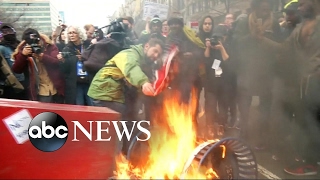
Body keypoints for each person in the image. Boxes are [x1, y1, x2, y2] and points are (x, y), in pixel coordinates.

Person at [12, 28, 65, 103]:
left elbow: (57, 62)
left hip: (55, 87)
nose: (36, 44)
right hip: (40, 90)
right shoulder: (23, 49)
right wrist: (23, 56)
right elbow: (16, 70)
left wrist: (43, 57)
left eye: (37, 41)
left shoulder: (49, 45)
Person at [58, 25, 92, 106]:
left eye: (74, 32)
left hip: (89, 81)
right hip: (76, 83)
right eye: (69, 33)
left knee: (92, 105)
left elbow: (95, 60)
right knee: (79, 106)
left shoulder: (88, 46)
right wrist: (62, 61)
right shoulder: (66, 49)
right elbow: (64, 70)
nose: (71, 35)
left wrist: (83, 58)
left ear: (79, 34)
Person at [0, 23, 27, 100]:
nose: (8, 33)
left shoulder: (20, 46)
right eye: (4, 32)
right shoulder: (1, 48)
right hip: (10, 86)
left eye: (9, 30)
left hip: (24, 82)